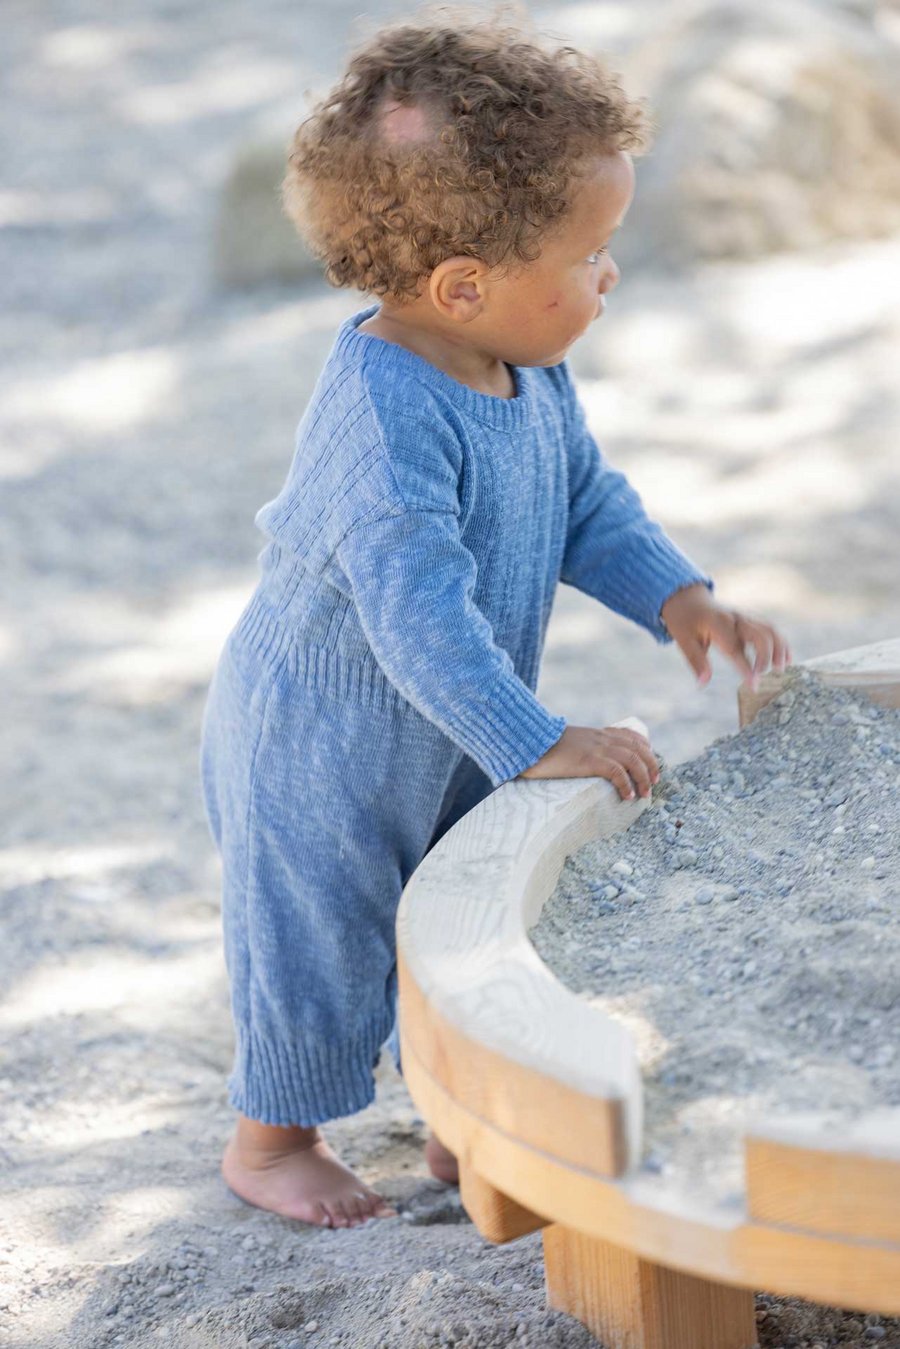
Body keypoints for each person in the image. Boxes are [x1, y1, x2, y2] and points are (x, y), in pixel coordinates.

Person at [199, 9, 790, 1232]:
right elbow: (415, 620)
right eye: (589, 254)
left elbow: (582, 499)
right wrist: (537, 736)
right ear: (465, 284)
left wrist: (677, 594)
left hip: (450, 721)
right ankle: (272, 1137)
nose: (609, 274)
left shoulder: (526, 363)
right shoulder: (382, 413)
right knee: (323, 939)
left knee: (459, 920)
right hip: (320, 741)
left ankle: (459, 1121)